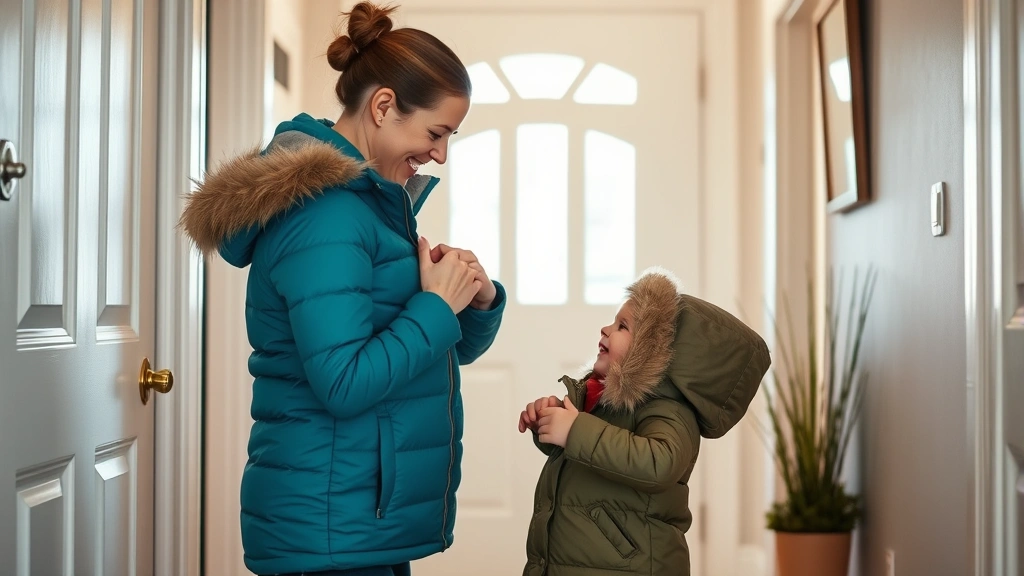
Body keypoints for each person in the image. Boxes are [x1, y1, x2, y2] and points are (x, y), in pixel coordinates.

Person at [179, 3, 505, 575]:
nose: (440, 154)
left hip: (353, 525)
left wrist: (472, 302)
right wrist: (432, 306)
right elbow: (345, 383)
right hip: (332, 530)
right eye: (436, 132)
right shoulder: (326, 216)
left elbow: (429, 357)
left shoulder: (368, 206)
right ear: (383, 106)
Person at [518, 269, 770, 576]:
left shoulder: (669, 408)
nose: (606, 329)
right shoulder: (603, 398)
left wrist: (574, 430)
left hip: (631, 563)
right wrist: (551, 423)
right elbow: (592, 457)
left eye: (622, 326)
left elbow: (659, 462)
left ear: (654, 354)